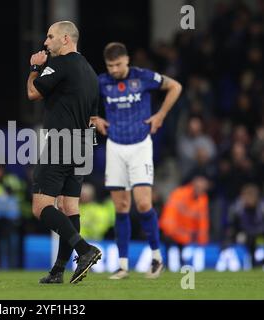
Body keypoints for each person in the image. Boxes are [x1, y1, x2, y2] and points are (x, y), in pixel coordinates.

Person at [93, 42, 182, 279]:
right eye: (110, 66)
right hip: (115, 147)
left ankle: (156, 259)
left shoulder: (143, 77)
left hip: (140, 146)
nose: (114, 70)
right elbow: (82, 99)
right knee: (121, 207)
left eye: (118, 64)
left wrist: (160, 115)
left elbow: (175, 86)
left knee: (143, 204)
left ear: (127, 60)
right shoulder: (101, 82)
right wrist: (94, 118)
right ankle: (123, 266)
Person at [27, 21, 101, 284]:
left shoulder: (60, 64)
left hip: (62, 141)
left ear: (66, 39)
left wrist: (35, 67)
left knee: (41, 207)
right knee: (70, 207)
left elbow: (33, 93)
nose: (46, 43)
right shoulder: (91, 72)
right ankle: (59, 270)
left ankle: (85, 250)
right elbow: (93, 116)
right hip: (83, 143)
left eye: (50, 37)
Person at [159, 174, 210, 267]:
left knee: (181, 253)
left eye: (203, 188)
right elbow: (169, 215)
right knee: (168, 245)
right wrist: (172, 231)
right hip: (172, 231)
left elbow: (202, 221)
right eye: (199, 186)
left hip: (185, 233)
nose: (201, 190)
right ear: (193, 184)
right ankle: (166, 264)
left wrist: (202, 239)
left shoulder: (203, 199)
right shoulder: (179, 193)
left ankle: (180, 264)